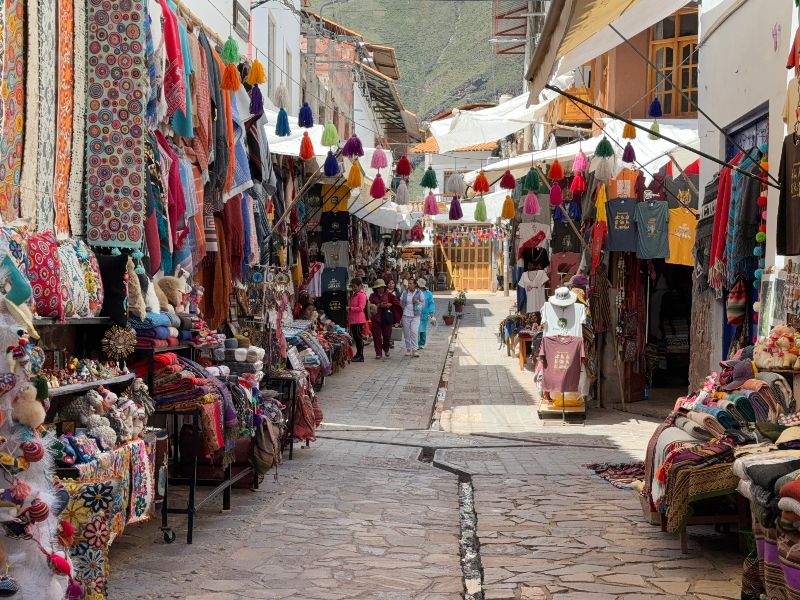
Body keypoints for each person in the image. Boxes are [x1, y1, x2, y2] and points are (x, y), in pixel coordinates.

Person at [368, 279, 397, 359]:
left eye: (382, 287)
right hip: (376, 318)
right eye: (379, 287)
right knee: (376, 336)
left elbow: (395, 303)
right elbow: (370, 307)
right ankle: (378, 353)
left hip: (387, 318)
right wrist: (379, 305)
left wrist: (389, 305)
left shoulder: (389, 294)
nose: (381, 289)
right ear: (376, 288)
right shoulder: (372, 296)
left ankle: (386, 348)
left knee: (387, 335)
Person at [399, 278, 423, 357]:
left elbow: (423, 304)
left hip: (416, 316)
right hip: (406, 315)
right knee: (407, 333)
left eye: (411, 283)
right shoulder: (405, 292)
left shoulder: (419, 292)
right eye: (408, 283)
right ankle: (408, 349)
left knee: (414, 332)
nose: (409, 285)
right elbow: (401, 302)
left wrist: (417, 302)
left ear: (415, 285)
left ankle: (415, 350)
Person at [347, 278, 367, 362]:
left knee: (358, 338)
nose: (353, 288)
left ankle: (360, 355)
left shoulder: (361, 295)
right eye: (352, 286)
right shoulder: (354, 294)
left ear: (360, 286)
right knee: (356, 337)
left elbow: (361, 308)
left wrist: (350, 308)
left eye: (355, 286)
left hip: (358, 320)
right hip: (353, 320)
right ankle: (358, 354)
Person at [417, 278, 436, 349]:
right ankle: (416, 343)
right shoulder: (416, 292)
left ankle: (422, 343)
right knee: (416, 329)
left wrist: (431, 312)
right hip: (416, 313)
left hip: (424, 314)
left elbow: (431, 303)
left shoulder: (428, 293)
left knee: (422, 329)